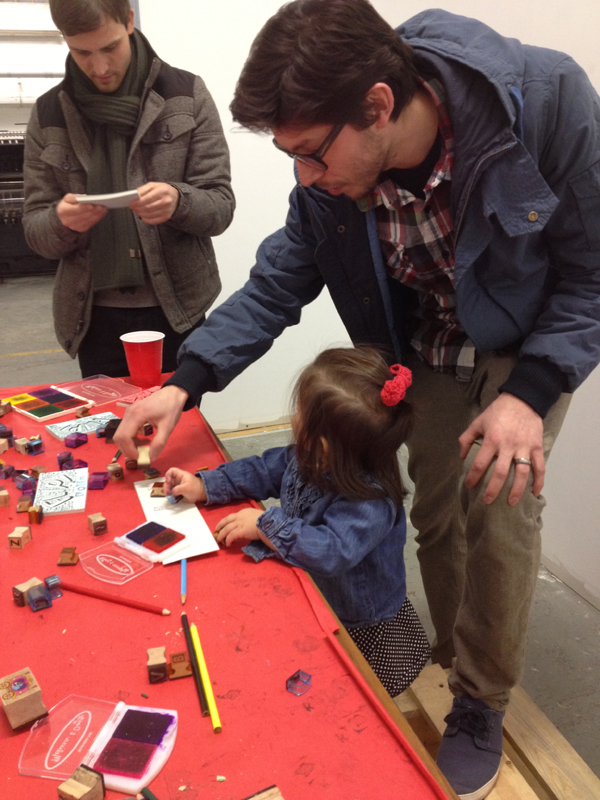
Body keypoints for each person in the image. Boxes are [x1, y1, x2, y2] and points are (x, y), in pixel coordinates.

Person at [115, 2, 600, 796]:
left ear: (378, 105)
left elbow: (590, 272)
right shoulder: (333, 171)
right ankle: (450, 646)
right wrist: (185, 382)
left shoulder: (548, 102)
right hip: (429, 351)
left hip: (530, 348)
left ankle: (479, 702)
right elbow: (277, 279)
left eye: (310, 155)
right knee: (439, 516)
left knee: (501, 514)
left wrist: (532, 394)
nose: (306, 178)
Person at [164, 346, 430, 697]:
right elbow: (263, 469)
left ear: (321, 445)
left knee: (358, 693)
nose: (293, 417)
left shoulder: (370, 502)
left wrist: (264, 524)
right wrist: (205, 485)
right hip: (315, 596)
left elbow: (331, 551)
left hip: (362, 624)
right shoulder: (310, 456)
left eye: (299, 411)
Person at [23, 0, 234, 377]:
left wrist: (178, 201)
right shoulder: (48, 113)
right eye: (81, 52)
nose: (99, 68)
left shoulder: (185, 94)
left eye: (110, 47)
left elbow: (220, 205)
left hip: (177, 307)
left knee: (178, 425)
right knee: (106, 431)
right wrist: (61, 221)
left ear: (130, 21)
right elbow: (36, 231)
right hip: (92, 316)